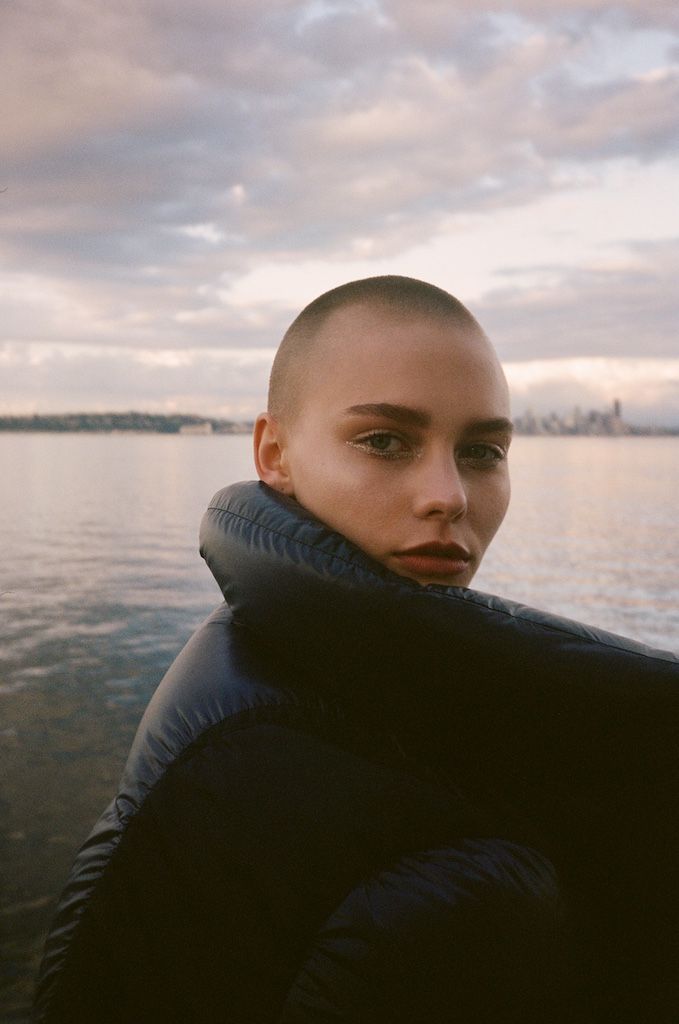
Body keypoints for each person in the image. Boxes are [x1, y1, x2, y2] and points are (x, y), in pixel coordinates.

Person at [34, 277, 679, 1023]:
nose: (448, 495)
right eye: (383, 441)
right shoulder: (246, 762)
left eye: (480, 450)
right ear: (274, 453)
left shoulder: (387, 681)